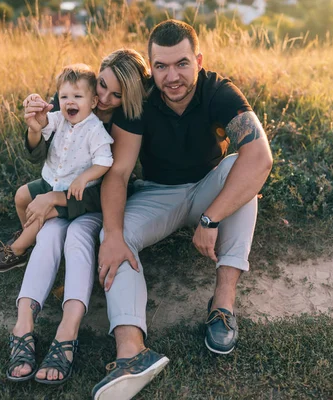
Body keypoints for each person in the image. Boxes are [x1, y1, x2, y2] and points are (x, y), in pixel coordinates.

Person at [91, 20, 273, 400]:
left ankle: (222, 307)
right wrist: (111, 234)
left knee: (240, 171)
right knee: (116, 238)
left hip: (210, 189)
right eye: (161, 66)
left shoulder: (218, 91)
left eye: (181, 64)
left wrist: (211, 218)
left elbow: (260, 158)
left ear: (198, 61)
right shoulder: (140, 99)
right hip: (158, 193)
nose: (172, 76)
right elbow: (119, 173)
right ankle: (131, 352)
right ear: (151, 66)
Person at [4, 49, 151, 385]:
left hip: (95, 205)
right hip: (62, 195)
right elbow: (43, 149)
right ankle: (23, 323)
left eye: (117, 95)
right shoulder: (73, 93)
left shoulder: (125, 122)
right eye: (101, 86)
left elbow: (113, 183)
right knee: (51, 233)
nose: (105, 98)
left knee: (73, 234)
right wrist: (33, 127)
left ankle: (66, 333)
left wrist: (55, 199)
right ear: (93, 75)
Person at [0, 64, 114, 273]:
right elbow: (44, 123)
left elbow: (104, 161)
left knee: (40, 214)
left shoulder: (95, 129)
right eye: (64, 97)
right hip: (50, 180)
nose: (70, 102)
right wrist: (37, 107)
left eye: (78, 96)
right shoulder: (60, 117)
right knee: (21, 196)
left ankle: (16, 252)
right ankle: (28, 235)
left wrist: (84, 178)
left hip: (73, 192)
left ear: (93, 101)